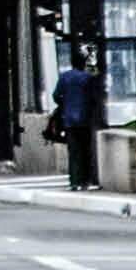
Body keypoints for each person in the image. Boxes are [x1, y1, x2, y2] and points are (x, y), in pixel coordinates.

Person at [48, 48, 104, 190]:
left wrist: (64, 104)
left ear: (71, 63)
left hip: (69, 120)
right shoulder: (87, 78)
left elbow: (56, 95)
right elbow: (94, 98)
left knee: (73, 152)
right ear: (83, 63)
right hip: (85, 119)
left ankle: (74, 182)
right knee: (86, 150)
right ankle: (86, 181)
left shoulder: (64, 77)